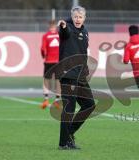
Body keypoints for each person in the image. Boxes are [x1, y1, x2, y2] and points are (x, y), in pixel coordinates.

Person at [57, 6, 95, 150]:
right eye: (75, 17)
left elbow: (83, 53)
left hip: (80, 75)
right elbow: (65, 32)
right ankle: (63, 143)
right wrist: (64, 25)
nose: (78, 19)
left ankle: (69, 134)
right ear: (71, 17)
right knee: (69, 109)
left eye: (80, 17)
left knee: (89, 105)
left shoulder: (85, 31)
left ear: (84, 18)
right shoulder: (66, 28)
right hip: (68, 74)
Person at [40, 20, 61, 109]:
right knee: (58, 81)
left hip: (49, 61)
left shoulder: (45, 36)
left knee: (46, 80)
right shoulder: (60, 35)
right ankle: (57, 101)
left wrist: (43, 56)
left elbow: (42, 48)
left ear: (49, 26)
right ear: (56, 26)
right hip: (58, 61)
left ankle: (46, 99)